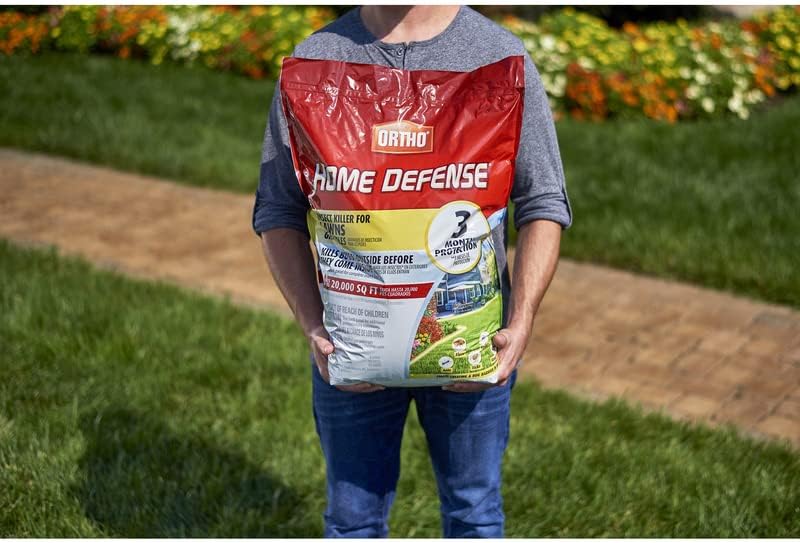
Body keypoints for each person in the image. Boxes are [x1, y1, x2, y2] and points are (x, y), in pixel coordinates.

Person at [252, 5, 572, 538]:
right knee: (352, 521)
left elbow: (543, 202)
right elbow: (278, 209)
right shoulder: (318, 58)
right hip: (353, 350)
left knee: (473, 515)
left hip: (470, 345)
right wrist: (311, 324)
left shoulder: (499, 56)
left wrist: (522, 321)